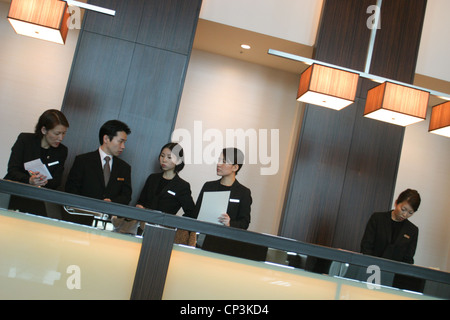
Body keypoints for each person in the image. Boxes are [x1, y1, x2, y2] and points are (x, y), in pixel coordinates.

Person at [194, 147, 267, 260]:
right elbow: (196, 213)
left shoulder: (243, 192)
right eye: (218, 160)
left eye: (224, 161)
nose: (218, 164)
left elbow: (245, 222)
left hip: (227, 245)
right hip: (203, 240)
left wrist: (230, 223)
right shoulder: (208, 186)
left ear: (235, 167)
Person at [65, 120, 132, 228]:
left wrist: (112, 202)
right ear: (106, 139)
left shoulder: (124, 168)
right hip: (80, 220)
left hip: (109, 225)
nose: (123, 146)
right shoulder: (83, 161)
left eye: (124, 142)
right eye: (120, 141)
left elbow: (126, 196)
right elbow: (71, 190)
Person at [4, 109, 69, 216]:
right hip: (14, 195)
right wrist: (29, 180)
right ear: (44, 130)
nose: (60, 138)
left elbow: (57, 181)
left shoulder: (62, 151)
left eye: (64, 133)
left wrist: (44, 181)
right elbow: (13, 170)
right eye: (57, 133)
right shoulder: (25, 140)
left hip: (38, 201)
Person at [135, 143, 196, 241]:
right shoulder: (152, 178)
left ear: (178, 160)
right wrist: (140, 207)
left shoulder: (182, 186)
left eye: (169, 157)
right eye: (162, 156)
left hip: (164, 233)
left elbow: (191, 213)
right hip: (143, 227)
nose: (164, 160)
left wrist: (174, 222)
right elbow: (141, 201)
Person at [360, 189, 421, 264]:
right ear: (396, 203)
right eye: (403, 209)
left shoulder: (412, 230)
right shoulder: (377, 219)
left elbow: (408, 259)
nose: (405, 215)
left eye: (410, 212)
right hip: (371, 268)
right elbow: (366, 247)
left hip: (395, 273)